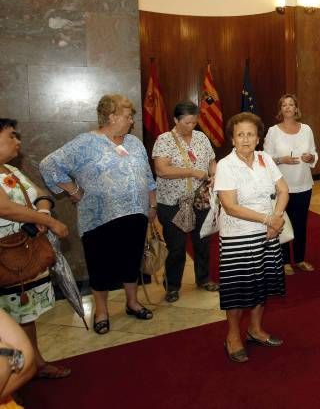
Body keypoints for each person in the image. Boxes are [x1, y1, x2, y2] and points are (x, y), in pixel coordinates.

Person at [40, 95, 156, 335]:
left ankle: (132, 302)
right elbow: (49, 165)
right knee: (99, 265)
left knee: (131, 261)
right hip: (99, 218)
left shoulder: (134, 143)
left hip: (136, 214)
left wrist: (152, 205)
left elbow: (147, 175)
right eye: (127, 116)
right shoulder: (85, 143)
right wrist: (73, 190)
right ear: (111, 117)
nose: (131, 121)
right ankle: (101, 311)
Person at [214, 112, 288, 363]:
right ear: (232, 139)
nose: (245, 139)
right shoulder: (226, 165)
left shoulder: (265, 158)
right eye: (240, 134)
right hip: (239, 237)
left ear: (258, 138)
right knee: (238, 289)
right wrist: (269, 220)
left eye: (250, 134)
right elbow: (230, 206)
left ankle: (255, 329)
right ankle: (233, 336)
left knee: (263, 285)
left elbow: (283, 189)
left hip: (268, 234)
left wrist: (277, 217)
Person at [0, 119, 71, 380]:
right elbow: (4, 207)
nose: (18, 141)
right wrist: (48, 221)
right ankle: (12, 371)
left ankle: (32, 363)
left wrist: (41, 210)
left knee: (24, 313)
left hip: (22, 255)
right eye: (11, 136)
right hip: (3, 257)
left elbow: (41, 193)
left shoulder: (10, 169)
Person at [152, 101, 218, 303]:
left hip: (200, 201)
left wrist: (214, 175)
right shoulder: (164, 140)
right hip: (173, 203)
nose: (192, 126)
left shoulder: (201, 138)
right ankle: (172, 286)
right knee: (177, 246)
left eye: (194, 122)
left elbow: (211, 162)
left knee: (202, 242)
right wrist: (190, 171)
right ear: (176, 120)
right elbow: (161, 169)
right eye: (187, 122)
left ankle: (204, 278)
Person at [265, 94, 318, 275]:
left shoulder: (307, 129)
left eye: (291, 104)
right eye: (284, 105)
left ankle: (301, 259)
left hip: (303, 184)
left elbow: (313, 152)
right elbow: (266, 158)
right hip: (282, 187)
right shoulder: (273, 131)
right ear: (280, 109)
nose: (288, 107)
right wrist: (281, 159)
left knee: (301, 223)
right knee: (283, 223)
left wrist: (311, 157)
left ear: (296, 108)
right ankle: (285, 261)